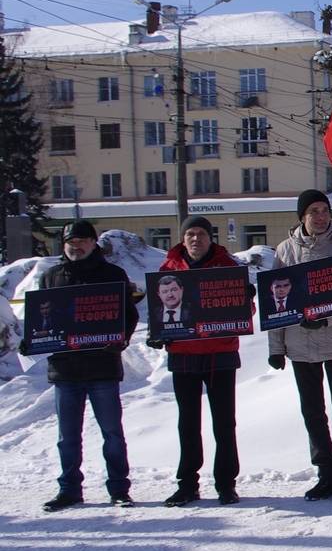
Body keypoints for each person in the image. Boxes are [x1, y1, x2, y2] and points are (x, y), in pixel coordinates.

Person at [27, 220, 139, 512]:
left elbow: (129, 315)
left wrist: (122, 338)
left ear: (93, 243)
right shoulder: (52, 276)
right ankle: (69, 490)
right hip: (65, 370)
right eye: (70, 241)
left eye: (82, 240)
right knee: (67, 437)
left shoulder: (113, 275)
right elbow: (41, 319)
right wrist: (33, 340)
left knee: (112, 434)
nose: (76, 246)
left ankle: (119, 489)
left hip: (102, 367)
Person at [268, 190, 332, 502]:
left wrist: (328, 318)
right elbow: (277, 302)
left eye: (324, 210)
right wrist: (276, 347)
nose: (320, 216)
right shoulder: (285, 251)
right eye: (313, 211)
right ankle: (326, 474)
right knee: (313, 412)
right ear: (302, 216)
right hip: (301, 346)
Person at [150, 216, 248, 507]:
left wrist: (247, 299)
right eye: (190, 234)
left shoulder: (227, 266)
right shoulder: (169, 269)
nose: (195, 239)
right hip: (184, 355)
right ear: (183, 238)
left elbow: (245, 310)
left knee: (224, 423)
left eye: (201, 234)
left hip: (221, 353)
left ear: (210, 238)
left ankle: (226, 484)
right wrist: (158, 334)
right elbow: (159, 308)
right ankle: (187, 484)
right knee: (188, 423)